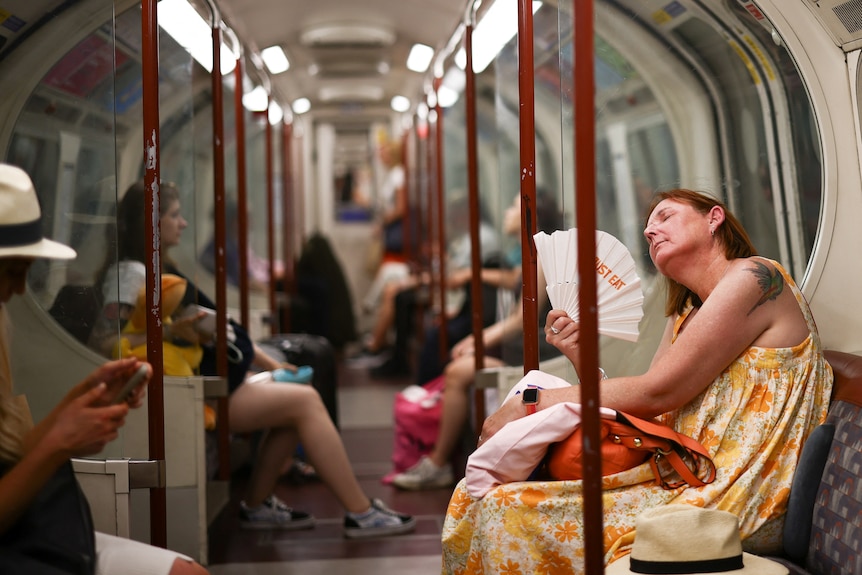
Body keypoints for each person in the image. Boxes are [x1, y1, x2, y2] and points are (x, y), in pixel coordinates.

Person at [441, 188, 833, 572]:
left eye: (665, 216)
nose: (650, 231)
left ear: (714, 218)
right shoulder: (685, 314)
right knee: (481, 497)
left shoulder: (755, 275)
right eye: (647, 228)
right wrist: (581, 357)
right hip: (682, 474)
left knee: (504, 511)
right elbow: (654, 411)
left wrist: (534, 400)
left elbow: (658, 392)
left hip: (735, 491)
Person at [93, 181, 415, 537]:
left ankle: (258, 504)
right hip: (182, 392)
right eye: (174, 215)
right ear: (150, 224)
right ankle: (361, 512)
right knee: (305, 402)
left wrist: (271, 365)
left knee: (294, 402)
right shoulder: (129, 275)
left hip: (211, 378)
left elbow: (216, 327)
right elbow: (109, 341)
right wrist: (169, 334)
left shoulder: (161, 267)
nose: (183, 223)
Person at [0, 163, 208, 574]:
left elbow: (15, 453)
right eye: (11, 273)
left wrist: (83, 399)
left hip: (41, 527)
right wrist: (60, 443)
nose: (22, 289)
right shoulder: (131, 273)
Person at [392, 191, 561, 489]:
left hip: (542, 352)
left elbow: (521, 318)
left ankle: (439, 462)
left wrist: (479, 340)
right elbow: (512, 279)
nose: (507, 212)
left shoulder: (546, 254)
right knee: (455, 360)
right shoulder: (531, 250)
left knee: (457, 372)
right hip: (524, 345)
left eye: (513, 206)